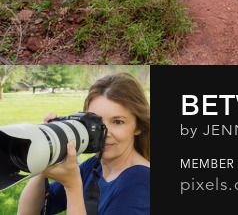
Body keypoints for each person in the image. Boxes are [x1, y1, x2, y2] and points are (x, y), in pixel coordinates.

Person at [17, 73, 150, 215]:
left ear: (138, 126)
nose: (104, 133)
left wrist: (72, 186)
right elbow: (29, 212)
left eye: (118, 122)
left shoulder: (141, 181)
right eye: (96, 122)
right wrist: (47, 155)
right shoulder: (94, 167)